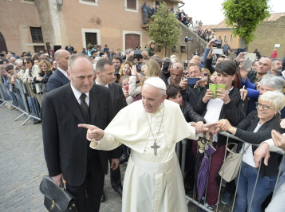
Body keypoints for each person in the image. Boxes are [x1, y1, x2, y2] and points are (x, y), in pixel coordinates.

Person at [79, 77, 210, 212]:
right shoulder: (131, 110)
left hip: (169, 172)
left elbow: (182, 127)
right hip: (141, 174)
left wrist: (200, 129)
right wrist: (101, 136)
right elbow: (114, 137)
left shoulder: (173, 108)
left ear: (163, 97)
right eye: (143, 97)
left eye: (151, 99)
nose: (145, 103)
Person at [42, 54, 121, 212]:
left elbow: (112, 125)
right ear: (69, 75)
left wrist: (115, 154)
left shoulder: (103, 93)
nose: (87, 82)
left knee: (94, 202)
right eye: (81, 77)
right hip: (71, 166)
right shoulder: (53, 99)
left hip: (98, 162)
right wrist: (55, 172)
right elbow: (49, 139)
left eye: (90, 76)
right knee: (78, 206)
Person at [211, 91, 285, 212]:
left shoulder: (279, 124)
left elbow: (257, 138)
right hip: (243, 165)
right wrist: (224, 126)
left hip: (262, 173)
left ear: (276, 110)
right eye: (259, 104)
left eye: (266, 106)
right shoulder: (253, 114)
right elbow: (240, 128)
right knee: (240, 198)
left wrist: (230, 127)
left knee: (253, 205)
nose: (260, 108)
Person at [194, 60, 246, 209]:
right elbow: (197, 110)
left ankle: (211, 203)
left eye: (225, 75)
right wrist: (204, 99)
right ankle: (199, 197)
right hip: (201, 137)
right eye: (218, 75)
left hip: (219, 141)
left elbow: (238, 120)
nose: (221, 79)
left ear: (233, 77)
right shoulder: (209, 89)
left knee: (211, 176)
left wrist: (228, 101)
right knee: (200, 170)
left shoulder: (237, 95)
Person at [95, 58, 127, 201]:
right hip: (98, 134)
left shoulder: (115, 87)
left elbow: (123, 106)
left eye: (114, 72)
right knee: (98, 163)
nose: (113, 76)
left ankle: (117, 184)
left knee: (115, 159)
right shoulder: (91, 89)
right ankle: (99, 188)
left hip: (114, 132)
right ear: (98, 73)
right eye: (109, 73)